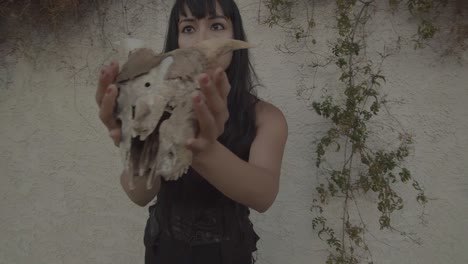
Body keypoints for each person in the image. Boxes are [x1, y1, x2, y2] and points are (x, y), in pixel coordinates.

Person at [95, 0, 288, 263]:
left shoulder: (266, 117)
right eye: (188, 29)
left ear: (236, 37)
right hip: (162, 251)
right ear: (176, 42)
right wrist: (143, 142)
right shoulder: (155, 105)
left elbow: (263, 196)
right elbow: (138, 194)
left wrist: (196, 145)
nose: (201, 40)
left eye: (217, 25)